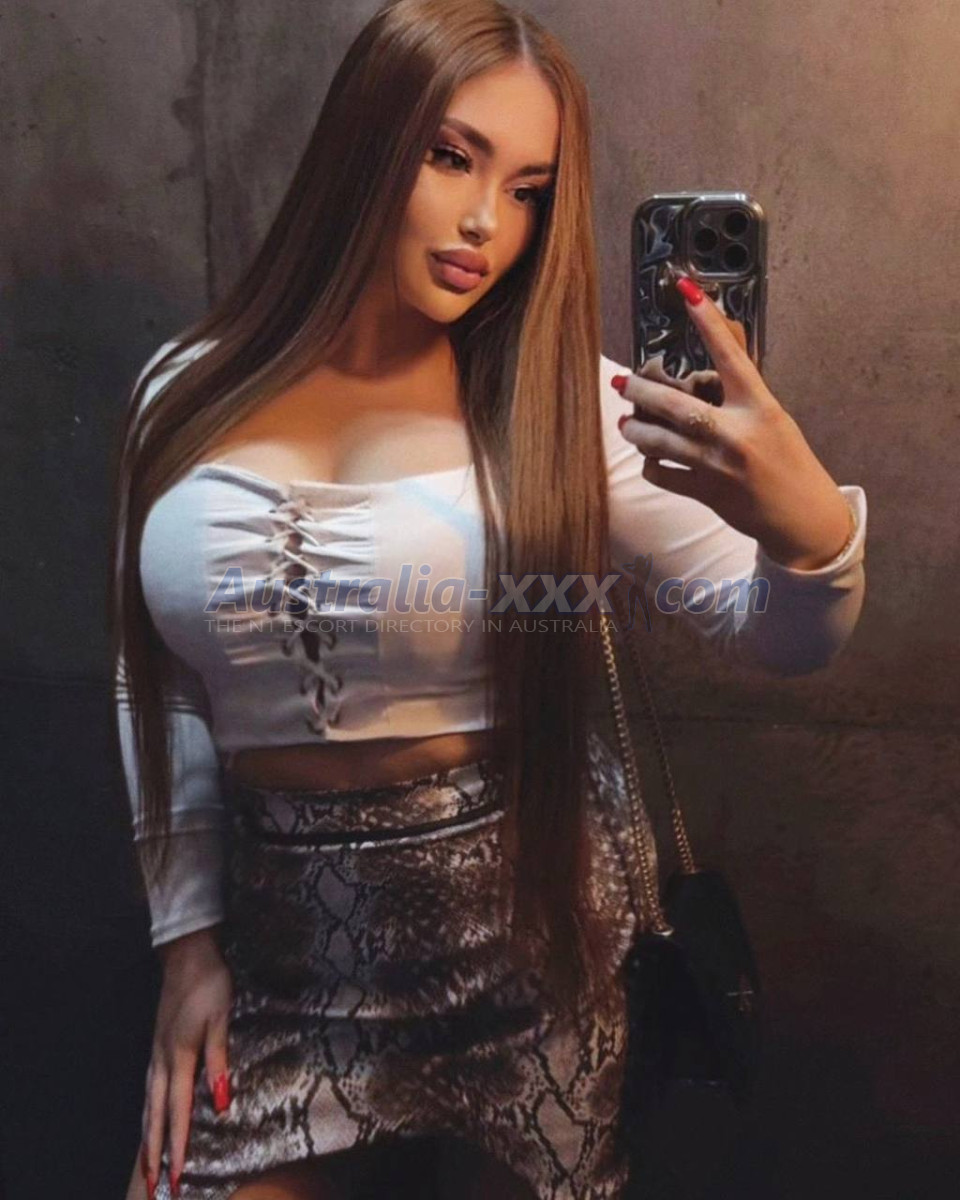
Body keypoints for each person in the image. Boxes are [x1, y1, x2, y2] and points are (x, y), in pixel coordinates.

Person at [110, 2, 868, 1197]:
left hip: (527, 942)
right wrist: (187, 944)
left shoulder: (572, 404)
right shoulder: (185, 388)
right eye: (450, 157)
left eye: (528, 190)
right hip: (280, 951)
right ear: (366, 142)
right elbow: (155, 680)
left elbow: (786, 638)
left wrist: (808, 523)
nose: (484, 223)